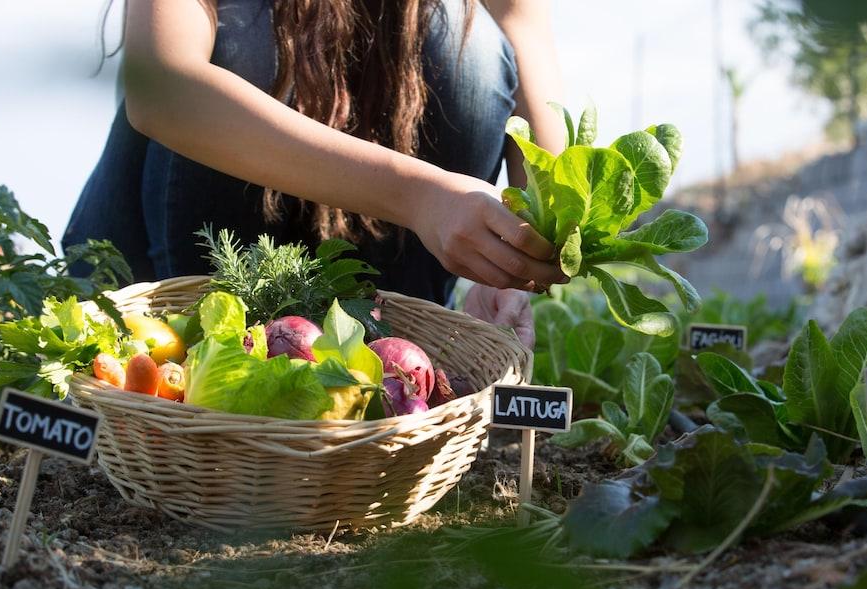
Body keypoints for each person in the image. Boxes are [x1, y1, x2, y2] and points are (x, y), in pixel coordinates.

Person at [63, 0, 567, 348]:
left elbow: (529, 62)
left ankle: (394, 344)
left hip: (372, 292)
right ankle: (199, 346)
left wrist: (513, 269)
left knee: (468, 40)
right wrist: (420, 197)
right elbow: (162, 89)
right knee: (243, 34)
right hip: (164, 275)